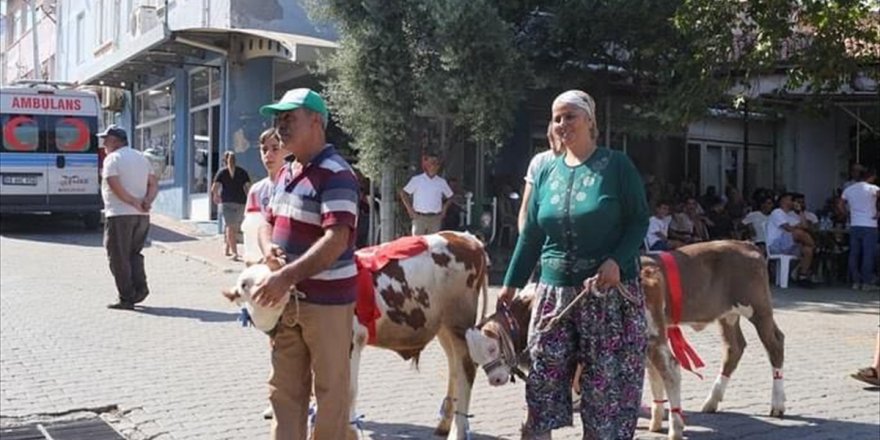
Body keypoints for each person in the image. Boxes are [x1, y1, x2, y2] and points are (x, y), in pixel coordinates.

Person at [497, 90, 649, 439]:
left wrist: (617, 260)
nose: (562, 124)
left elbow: (638, 220)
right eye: (557, 117)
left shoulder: (616, 166)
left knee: (605, 388)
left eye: (570, 116)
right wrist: (511, 283)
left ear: (590, 120)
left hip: (608, 294)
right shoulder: (547, 169)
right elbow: (533, 232)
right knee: (543, 377)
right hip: (554, 295)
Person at [253, 88, 359, 440]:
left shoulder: (337, 173)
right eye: (278, 119)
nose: (281, 127)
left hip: (327, 305)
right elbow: (268, 221)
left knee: (331, 395)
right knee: (284, 393)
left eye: (289, 118)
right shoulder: (286, 171)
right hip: (288, 304)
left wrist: (285, 276)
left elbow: (336, 240)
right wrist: (269, 250)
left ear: (316, 121)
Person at [99, 125, 157, 310]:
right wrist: (146, 201)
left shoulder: (112, 159)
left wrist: (132, 201)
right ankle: (140, 289)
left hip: (119, 215)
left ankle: (126, 297)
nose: (104, 144)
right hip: (141, 216)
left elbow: (113, 184)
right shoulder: (141, 158)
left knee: (118, 256)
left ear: (116, 141)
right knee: (134, 253)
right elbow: (153, 183)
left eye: (106, 140)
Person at [518, 122, 564, 231]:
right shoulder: (540, 162)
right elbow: (526, 208)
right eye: (552, 136)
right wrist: (524, 237)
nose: (555, 140)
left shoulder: (580, 162)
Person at [841, 167, 879, 291]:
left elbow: (840, 204)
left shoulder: (849, 189)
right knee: (868, 254)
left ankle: (856, 281)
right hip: (870, 224)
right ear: (871, 177)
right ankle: (867, 282)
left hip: (855, 224)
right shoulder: (873, 188)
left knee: (854, 253)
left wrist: (847, 214)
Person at [767, 192, 816, 285]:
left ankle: (802, 276)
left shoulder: (790, 215)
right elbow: (788, 228)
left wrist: (800, 211)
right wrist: (798, 229)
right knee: (799, 233)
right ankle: (815, 246)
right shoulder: (777, 212)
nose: (793, 202)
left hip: (788, 245)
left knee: (807, 249)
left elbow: (805, 226)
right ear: (783, 200)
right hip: (776, 244)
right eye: (791, 200)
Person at [399, 152, 454, 235]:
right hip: (419, 217)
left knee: (433, 244)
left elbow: (450, 196)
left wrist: (444, 209)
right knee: (418, 244)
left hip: (435, 218)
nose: (435, 166)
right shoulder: (417, 180)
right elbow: (403, 193)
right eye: (432, 163)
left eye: (437, 164)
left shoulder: (441, 182)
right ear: (427, 165)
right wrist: (409, 210)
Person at [212, 151, 251, 260]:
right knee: (232, 227)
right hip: (241, 202)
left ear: (224, 160)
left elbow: (214, 187)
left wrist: (216, 196)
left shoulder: (222, 172)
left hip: (227, 202)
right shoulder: (242, 172)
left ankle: (234, 253)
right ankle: (227, 249)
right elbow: (248, 187)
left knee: (230, 227)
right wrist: (250, 200)